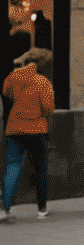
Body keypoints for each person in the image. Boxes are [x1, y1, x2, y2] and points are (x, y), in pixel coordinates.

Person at [1, 47, 54, 221]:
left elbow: (6, 93)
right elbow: (48, 109)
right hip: (36, 129)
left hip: (14, 128)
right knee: (40, 169)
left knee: (12, 167)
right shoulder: (42, 82)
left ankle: (4, 208)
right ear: (41, 64)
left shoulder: (13, 77)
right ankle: (42, 209)